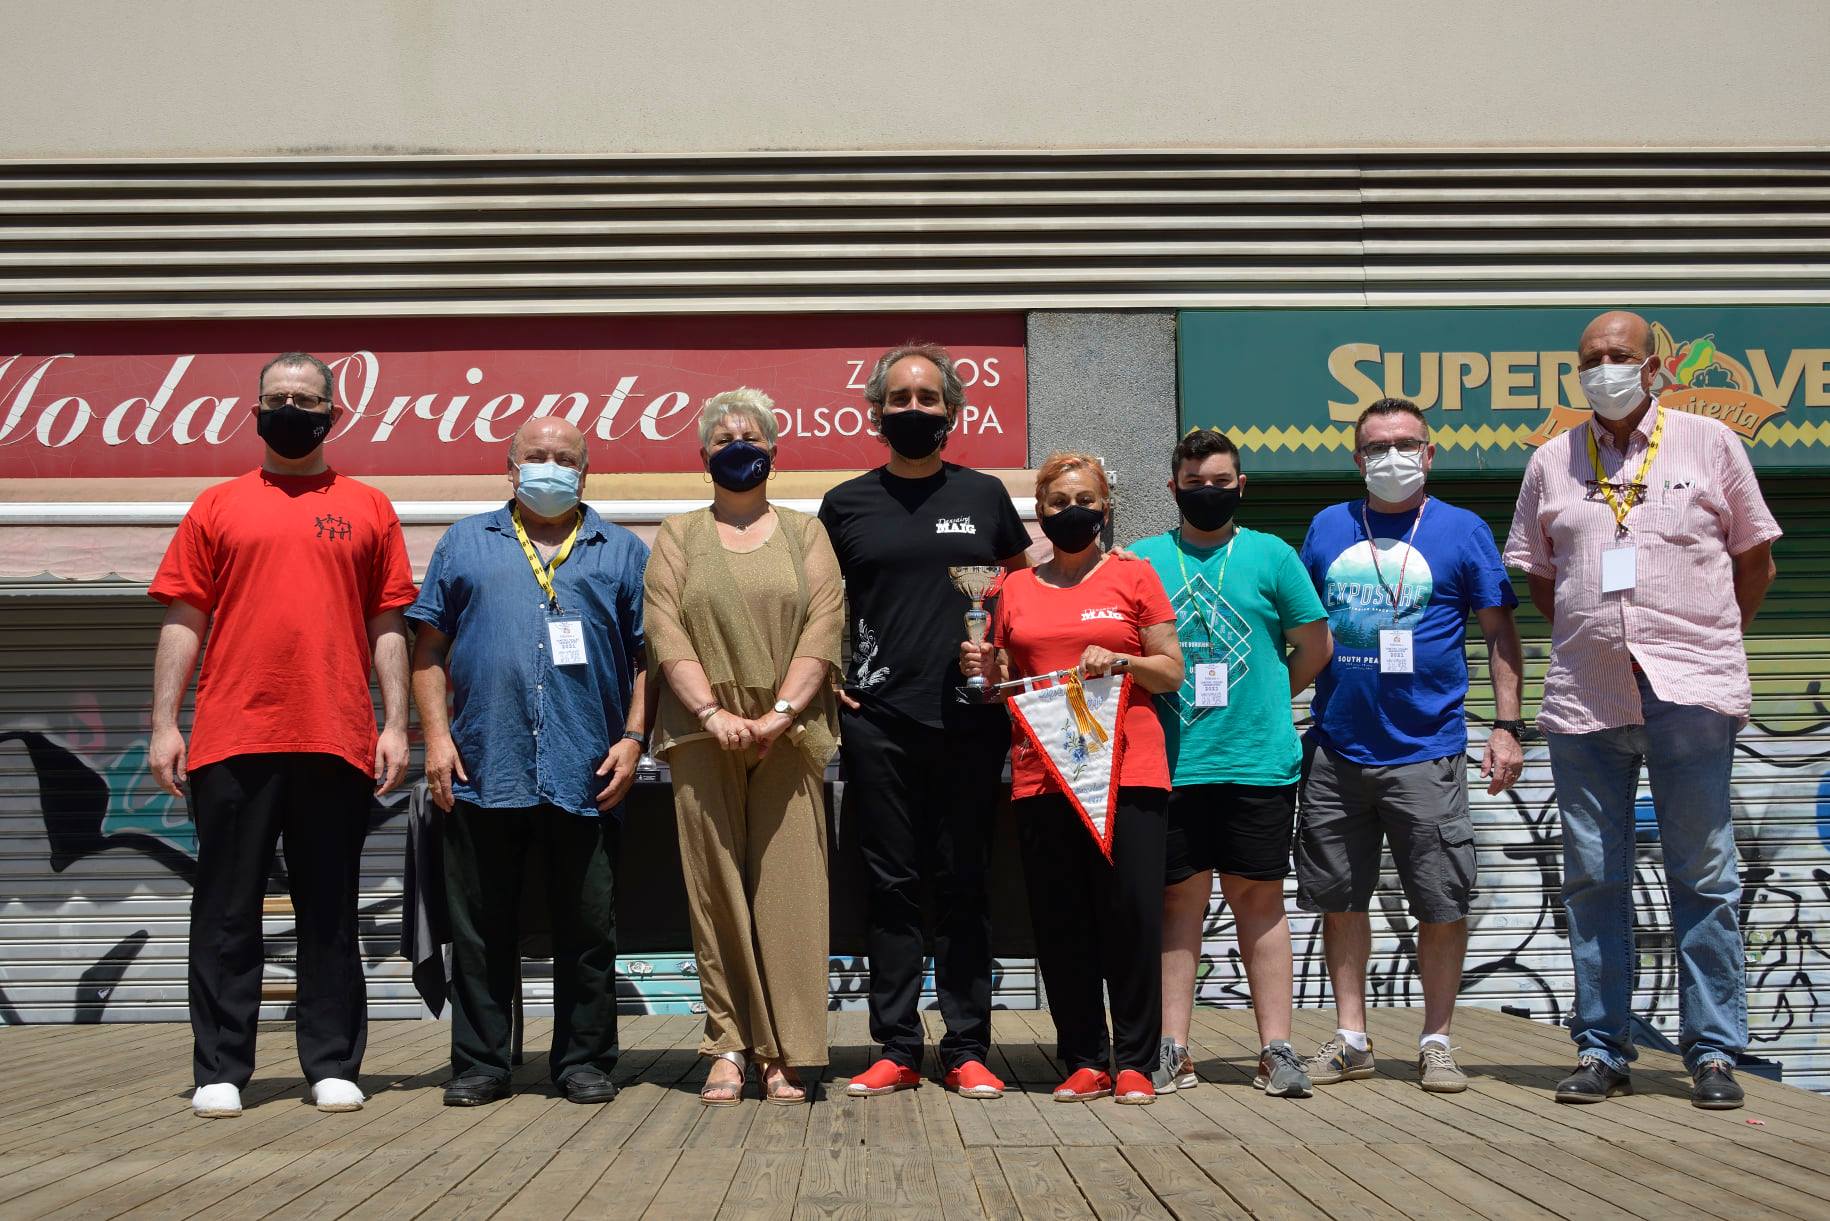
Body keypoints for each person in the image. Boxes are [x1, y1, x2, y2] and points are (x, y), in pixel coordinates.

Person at [1504, 310, 1779, 1110]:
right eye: (1590, 358)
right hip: (1587, 695)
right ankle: (1602, 1047)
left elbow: (1756, 561)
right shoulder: (1551, 460)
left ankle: (1714, 1052)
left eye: (1619, 355)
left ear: (1653, 366)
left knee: (1704, 871)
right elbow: (1543, 577)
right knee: (1593, 876)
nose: (1604, 368)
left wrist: (1707, 640)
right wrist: (1598, 637)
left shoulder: (1710, 443)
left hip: (1690, 692)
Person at [148, 352, 415, 1119]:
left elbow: (388, 622)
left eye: (306, 399)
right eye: (278, 398)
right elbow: (184, 619)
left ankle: (331, 1063)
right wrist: (164, 723)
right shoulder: (216, 506)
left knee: (329, 908)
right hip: (232, 736)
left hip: (336, 734)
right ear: (256, 409)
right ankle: (221, 1067)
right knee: (225, 909)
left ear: (334, 414)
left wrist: (397, 723)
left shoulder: (368, 506)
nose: (290, 409)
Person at [408, 415, 650, 1107]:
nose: (551, 467)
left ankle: (583, 1061)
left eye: (565, 458)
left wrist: (635, 737)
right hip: (485, 764)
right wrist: (437, 739)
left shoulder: (623, 551)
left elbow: (649, 659)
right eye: (537, 456)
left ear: (586, 472)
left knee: (589, 927)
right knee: (481, 929)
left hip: (588, 769)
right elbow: (428, 650)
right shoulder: (464, 542)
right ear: (511, 469)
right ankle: (480, 1064)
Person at [818, 343, 1032, 1099]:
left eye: (928, 398)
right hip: (877, 721)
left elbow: (1022, 597)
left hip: (970, 720)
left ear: (953, 412)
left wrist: (1002, 658)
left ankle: (967, 1046)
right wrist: (825, 676)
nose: (914, 410)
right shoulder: (844, 504)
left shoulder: (985, 494)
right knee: (891, 886)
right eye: (900, 399)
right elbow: (818, 603)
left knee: (966, 884)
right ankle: (898, 1046)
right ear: (875, 413)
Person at [1295, 397, 1525, 1094]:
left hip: (1428, 749)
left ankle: (1437, 1041)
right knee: (1341, 899)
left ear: (1428, 454)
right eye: (1376, 446)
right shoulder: (1328, 526)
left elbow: (1500, 633)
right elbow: (1302, 627)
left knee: (1441, 901)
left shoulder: (1463, 529)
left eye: (1404, 443)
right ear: (1356, 457)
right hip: (1337, 748)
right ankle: (1352, 1038)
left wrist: (1508, 726)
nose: (1390, 456)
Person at [960, 454, 1183, 1104]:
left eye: (1085, 499)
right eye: (1058, 502)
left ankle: (1137, 1060)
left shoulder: (1134, 574)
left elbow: (1171, 670)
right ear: (1040, 511)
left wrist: (1122, 660)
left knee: (1132, 918)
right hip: (1042, 776)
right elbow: (1004, 681)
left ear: (1105, 507)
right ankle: (1084, 1058)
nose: (1072, 511)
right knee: (1061, 923)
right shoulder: (1012, 589)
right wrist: (983, 666)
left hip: (1129, 773)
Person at [643, 388, 844, 1105]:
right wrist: (712, 710)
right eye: (724, 437)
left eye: (751, 436)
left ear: (774, 452)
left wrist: (780, 714)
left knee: (793, 892)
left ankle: (787, 1050)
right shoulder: (678, 535)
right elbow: (664, 627)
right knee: (716, 891)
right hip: (703, 731)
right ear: (703, 456)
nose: (738, 446)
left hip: (790, 734)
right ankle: (728, 1043)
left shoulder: (806, 534)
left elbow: (825, 622)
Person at [1130, 429, 1332, 1098]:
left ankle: (1276, 1049)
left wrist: (1267, 701)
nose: (1207, 492)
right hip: (1172, 764)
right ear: (1173, 487)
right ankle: (1173, 1048)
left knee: (1259, 900)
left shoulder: (1273, 555)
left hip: (1256, 763)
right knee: (1178, 901)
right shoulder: (1143, 559)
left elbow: (1314, 647)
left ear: (1241, 486)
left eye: (1220, 482)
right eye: (1195, 483)